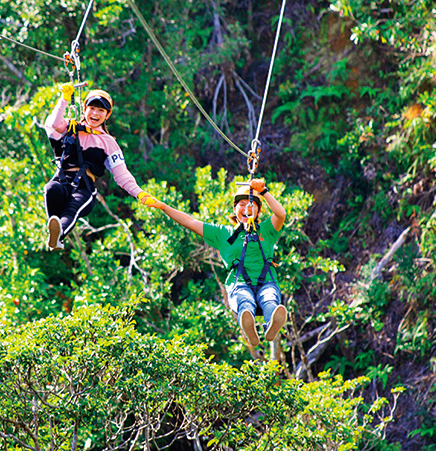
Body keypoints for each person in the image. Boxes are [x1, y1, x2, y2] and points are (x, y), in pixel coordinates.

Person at [139, 179, 288, 348]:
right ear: (235, 209)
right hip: (239, 283)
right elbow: (190, 222)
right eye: (242, 204)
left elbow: (281, 214)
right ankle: (248, 326)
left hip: (266, 282)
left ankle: (271, 324)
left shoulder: (267, 230)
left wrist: (263, 191)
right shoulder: (223, 233)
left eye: (251, 204)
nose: (247, 208)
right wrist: (163, 207)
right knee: (244, 301)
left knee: (269, 298)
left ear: (258, 211)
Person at [42, 83, 158, 249]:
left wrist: (139, 194)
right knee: (51, 189)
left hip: (84, 188)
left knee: (73, 207)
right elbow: (52, 124)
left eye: (101, 110)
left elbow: (122, 175)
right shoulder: (70, 127)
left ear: (107, 115)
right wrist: (64, 98)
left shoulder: (108, 143)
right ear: (85, 109)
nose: (95, 113)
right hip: (62, 179)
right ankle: (54, 230)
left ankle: (58, 234)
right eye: (92, 108)